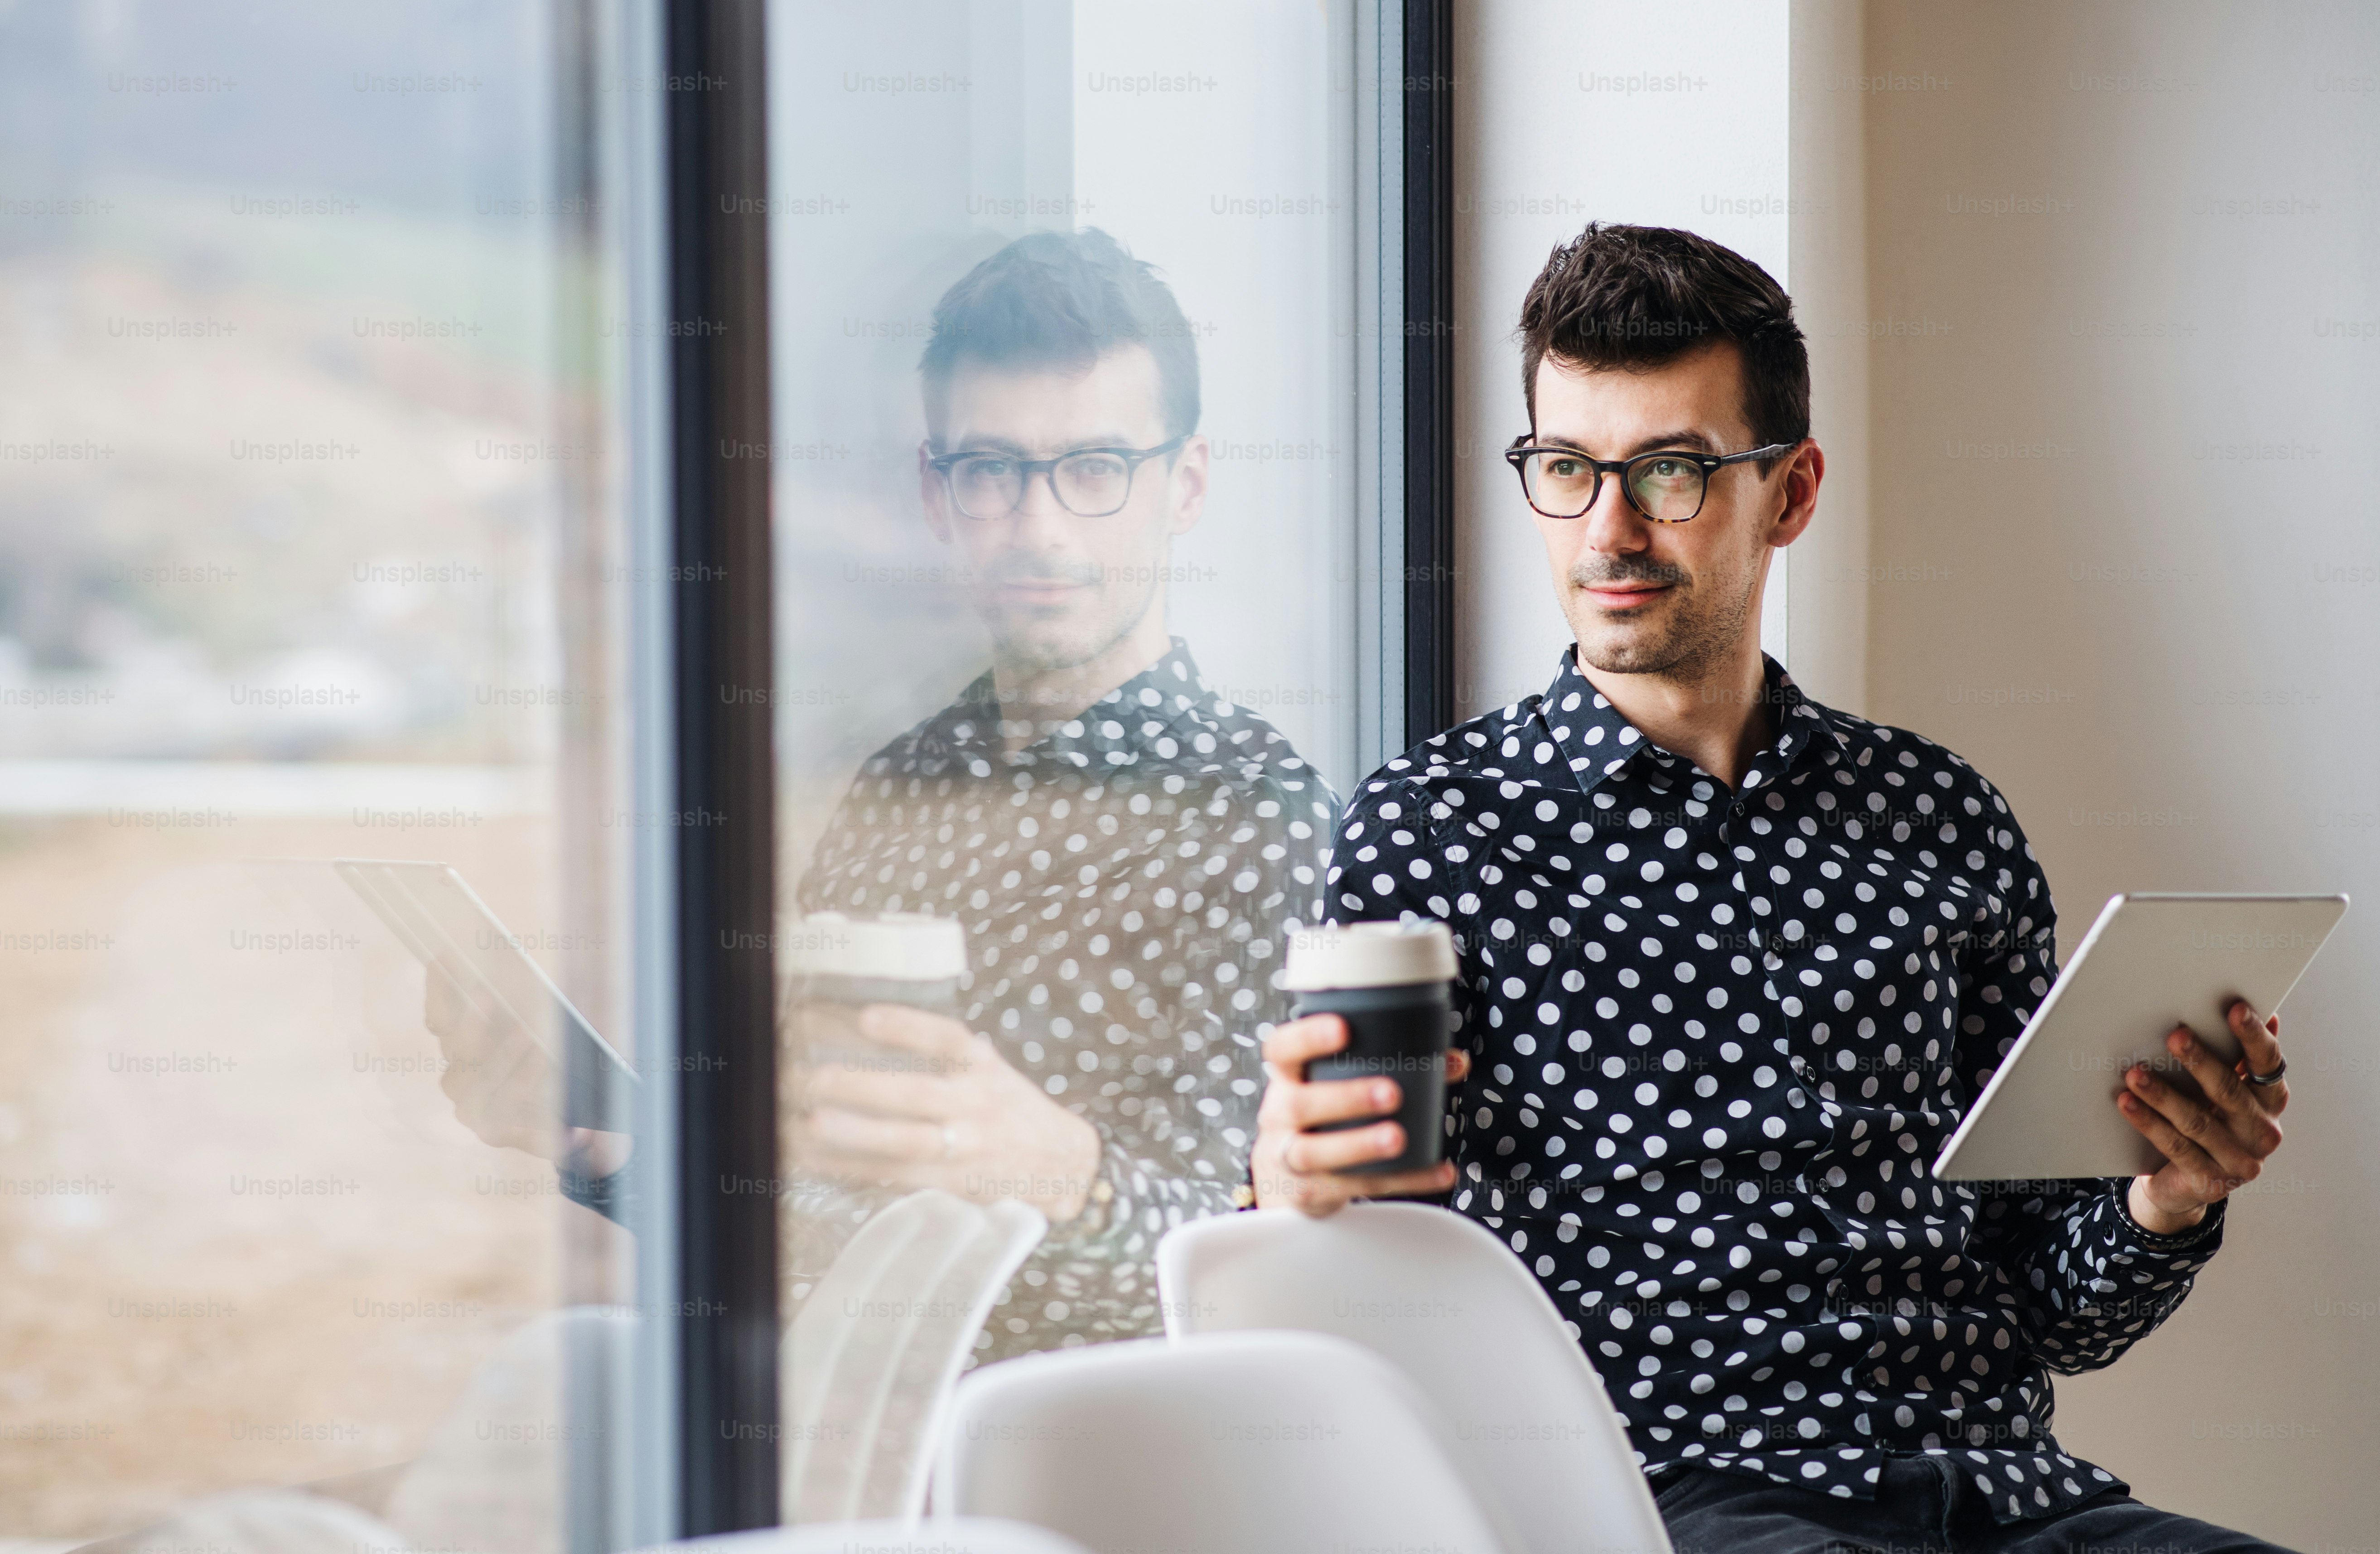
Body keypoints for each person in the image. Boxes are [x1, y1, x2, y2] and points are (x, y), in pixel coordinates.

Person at [1251, 224, 2298, 1553]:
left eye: (1670, 473)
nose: (1607, 531)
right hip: (1679, 1504)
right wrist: (1286, 1199)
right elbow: (1362, 1280)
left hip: (2016, 1497)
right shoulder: (1433, 835)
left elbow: (2053, 1310)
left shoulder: (1939, 817)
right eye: (1565, 469)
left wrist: (2165, 1196)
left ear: (1789, 493)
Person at [783, 228, 1334, 1360]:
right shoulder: (892, 788)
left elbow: (1260, 1275)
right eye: (992, 471)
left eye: (1093, 469)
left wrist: (1050, 1169)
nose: (1039, 528)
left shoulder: (1262, 822)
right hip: (836, 1404)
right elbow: (806, 1198)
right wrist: (626, 1158)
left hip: (1084, 1460)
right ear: (937, 495)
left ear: (1182, 486)